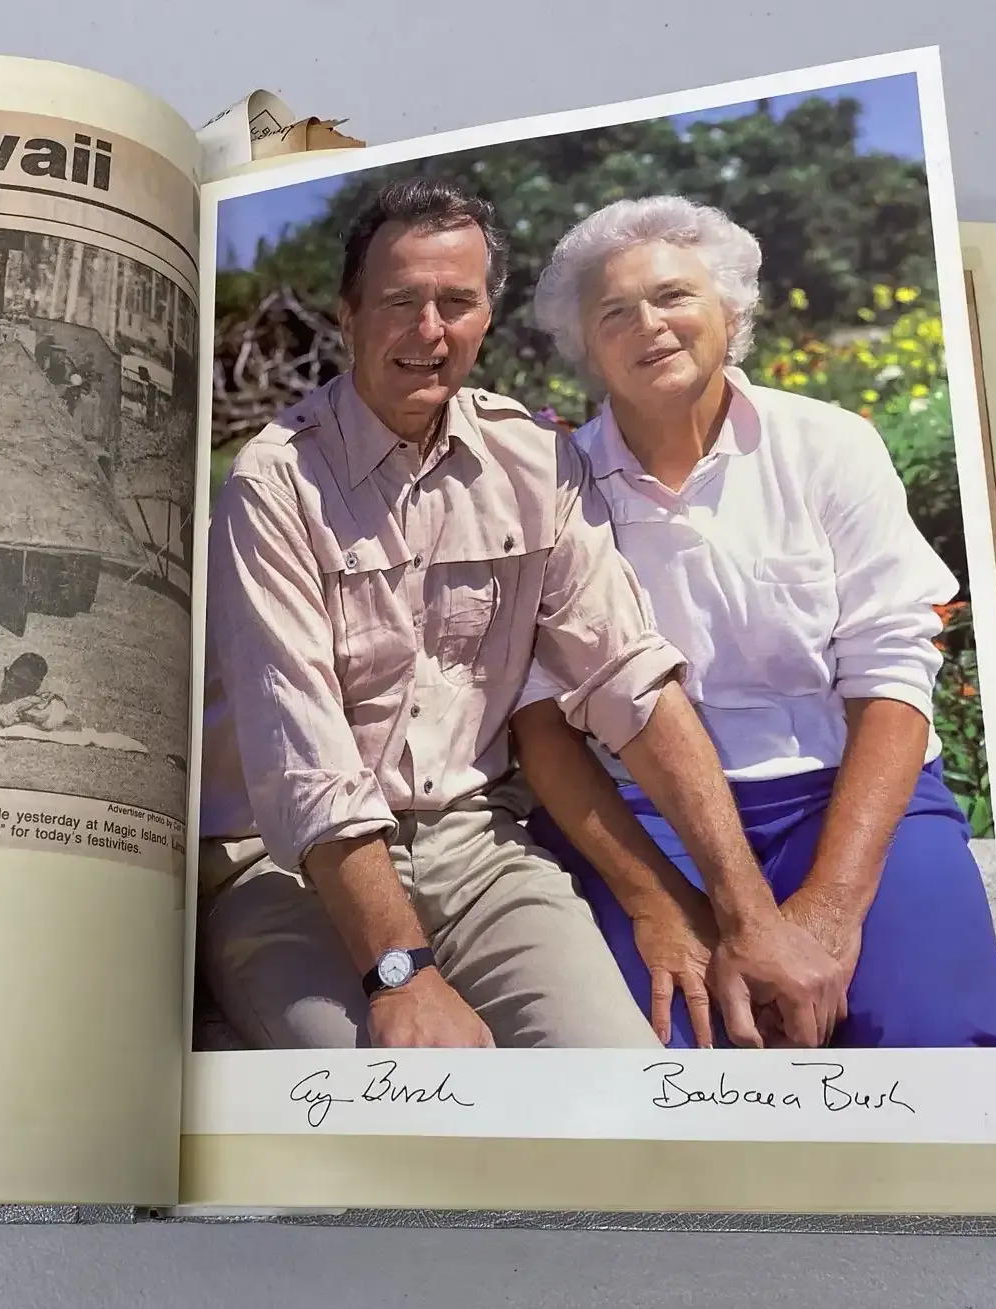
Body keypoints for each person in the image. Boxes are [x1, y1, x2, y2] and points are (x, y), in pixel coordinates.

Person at [198, 177, 850, 1051]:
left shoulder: (534, 462)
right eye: (398, 302)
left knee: (620, 1075)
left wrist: (748, 917)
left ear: (485, 317)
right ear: (348, 317)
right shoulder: (273, 483)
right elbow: (304, 763)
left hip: (476, 850)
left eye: (456, 303)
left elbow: (628, 679)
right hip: (289, 868)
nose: (428, 331)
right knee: (392, 1101)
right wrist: (402, 974)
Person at [511, 195, 996, 1049]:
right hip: (641, 818)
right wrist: (660, 904)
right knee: (671, 1052)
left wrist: (830, 909)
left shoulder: (827, 445)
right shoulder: (548, 491)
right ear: (586, 349)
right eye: (613, 313)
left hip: (841, 794)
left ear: (731, 313)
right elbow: (538, 722)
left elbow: (892, 669)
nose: (648, 325)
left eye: (673, 296)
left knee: (933, 1033)